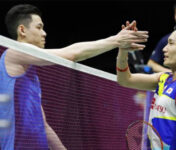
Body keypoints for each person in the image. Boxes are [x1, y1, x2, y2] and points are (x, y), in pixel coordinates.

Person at [0, 4, 148, 150]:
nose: (44, 33)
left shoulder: (31, 75)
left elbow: (42, 124)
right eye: (39, 27)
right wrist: (115, 40)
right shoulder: (14, 53)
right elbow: (72, 54)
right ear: (22, 30)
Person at [117, 23, 176, 150]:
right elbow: (125, 80)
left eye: (171, 43)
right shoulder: (163, 78)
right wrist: (123, 50)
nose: (164, 48)